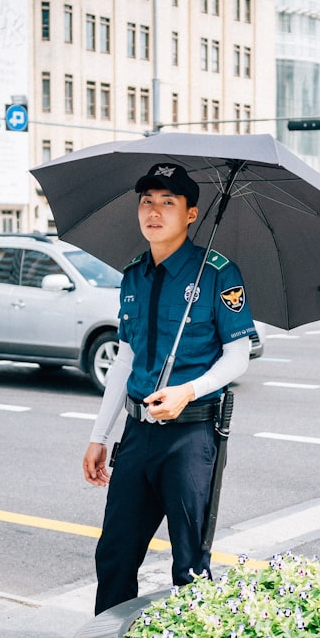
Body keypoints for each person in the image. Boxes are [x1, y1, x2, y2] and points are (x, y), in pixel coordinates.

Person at [82, 163, 256, 615]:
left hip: (191, 436)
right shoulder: (134, 275)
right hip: (137, 436)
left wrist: (189, 390)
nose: (153, 212)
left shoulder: (217, 272)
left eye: (167, 202)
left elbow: (238, 354)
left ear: (191, 213)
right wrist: (100, 435)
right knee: (115, 556)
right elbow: (125, 359)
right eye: (147, 201)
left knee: (190, 567)